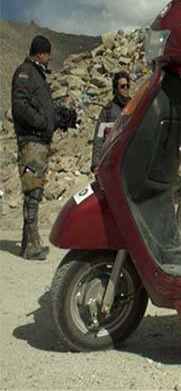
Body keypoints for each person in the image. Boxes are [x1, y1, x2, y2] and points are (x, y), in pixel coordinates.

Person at [11, 35, 77, 260]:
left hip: (39, 139)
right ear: (41, 53)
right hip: (31, 140)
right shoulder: (25, 73)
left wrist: (57, 120)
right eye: (48, 53)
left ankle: (28, 242)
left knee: (34, 189)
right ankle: (31, 245)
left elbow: (42, 110)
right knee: (33, 190)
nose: (50, 58)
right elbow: (20, 106)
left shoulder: (37, 75)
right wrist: (42, 124)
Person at [91, 71, 131, 172]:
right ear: (116, 89)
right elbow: (99, 138)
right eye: (122, 86)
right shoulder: (107, 111)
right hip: (113, 160)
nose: (126, 88)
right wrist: (96, 164)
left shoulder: (135, 106)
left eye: (127, 86)